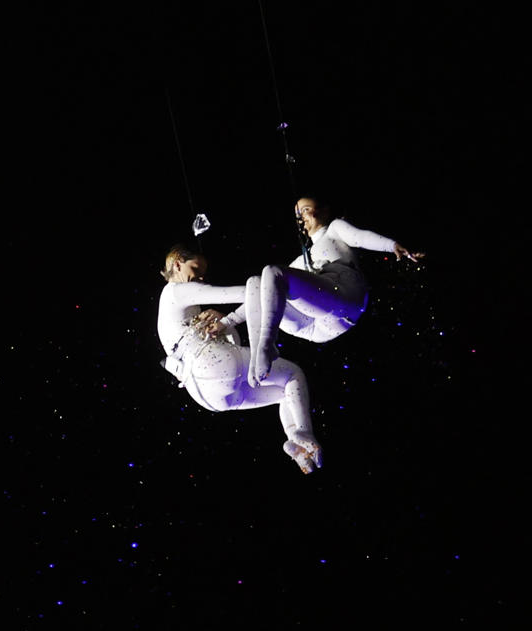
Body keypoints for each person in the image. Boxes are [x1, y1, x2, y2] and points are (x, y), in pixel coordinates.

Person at [157, 246, 322, 472]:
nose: (202, 277)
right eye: (196, 268)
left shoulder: (169, 310)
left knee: (286, 394)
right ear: (177, 263)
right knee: (293, 374)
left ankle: (298, 446)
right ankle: (304, 432)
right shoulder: (175, 291)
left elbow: (227, 339)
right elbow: (251, 292)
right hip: (211, 364)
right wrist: (277, 287)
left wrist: (222, 319)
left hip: (206, 396)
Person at [244, 198, 426, 384]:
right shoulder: (298, 263)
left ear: (324, 211)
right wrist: (227, 321)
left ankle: (266, 345)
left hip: (344, 297)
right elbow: (264, 302)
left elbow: (360, 237)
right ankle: (256, 357)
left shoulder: (334, 230)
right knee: (255, 283)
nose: (301, 218)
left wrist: (391, 245)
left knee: (272, 272)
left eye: (305, 210)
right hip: (313, 329)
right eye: (297, 216)